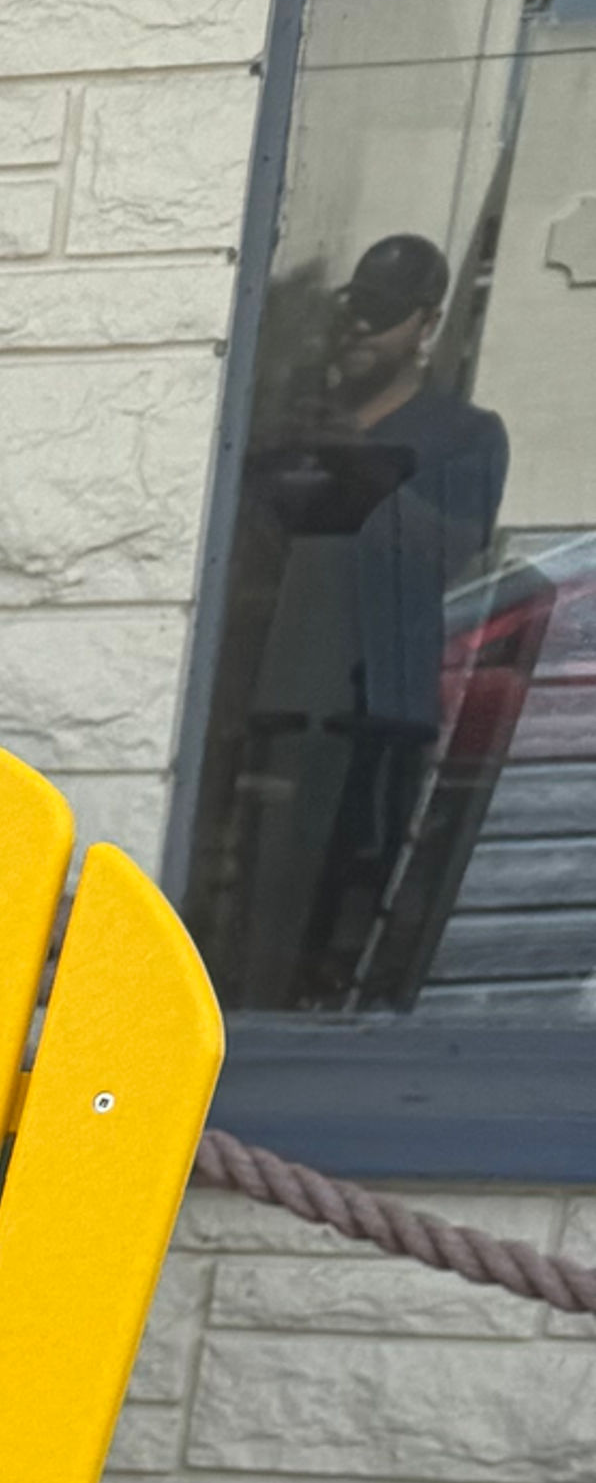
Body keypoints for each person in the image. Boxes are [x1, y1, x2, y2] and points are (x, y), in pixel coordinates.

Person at [229, 229, 511, 1002]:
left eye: (383, 312)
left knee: (355, 905)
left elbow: (452, 547)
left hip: (383, 707)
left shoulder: (463, 435)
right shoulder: (294, 425)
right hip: (275, 701)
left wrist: (354, 463)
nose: (357, 325)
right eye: (352, 306)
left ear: (426, 323)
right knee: (254, 901)